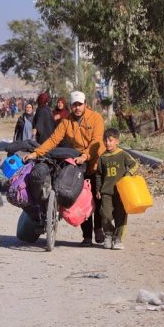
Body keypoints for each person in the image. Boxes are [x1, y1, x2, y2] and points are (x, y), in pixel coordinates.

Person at [24, 91, 106, 246]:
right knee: (81, 198)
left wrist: (86, 156)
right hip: (79, 164)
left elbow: (97, 142)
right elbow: (54, 139)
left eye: (80, 104)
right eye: (74, 105)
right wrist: (36, 153)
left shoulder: (96, 118)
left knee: (98, 199)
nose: (77, 108)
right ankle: (87, 236)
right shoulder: (66, 121)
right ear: (71, 106)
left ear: (85, 104)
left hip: (95, 163)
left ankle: (99, 229)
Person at [95, 128, 138, 250]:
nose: (107, 143)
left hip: (121, 192)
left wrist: (128, 173)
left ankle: (118, 239)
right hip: (106, 192)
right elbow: (98, 174)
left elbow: (134, 164)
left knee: (121, 215)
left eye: (110, 140)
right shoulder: (102, 158)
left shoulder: (123, 154)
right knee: (105, 214)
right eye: (105, 140)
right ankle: (108, 235)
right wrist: (98, 189)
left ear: (117, 141)